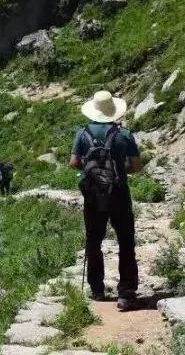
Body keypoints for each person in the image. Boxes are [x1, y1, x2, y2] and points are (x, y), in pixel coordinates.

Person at [69, 90, 142, 311]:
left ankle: (97, 289)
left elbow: (73, 162)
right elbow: (136, 166)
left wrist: (93, 170)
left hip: (93, 194)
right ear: (113, 111)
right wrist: (118, 170)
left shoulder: (82, 134)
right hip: (119, 192)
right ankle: (126, 292)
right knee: (125, 240)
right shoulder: (124, 134)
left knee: (94, 240)